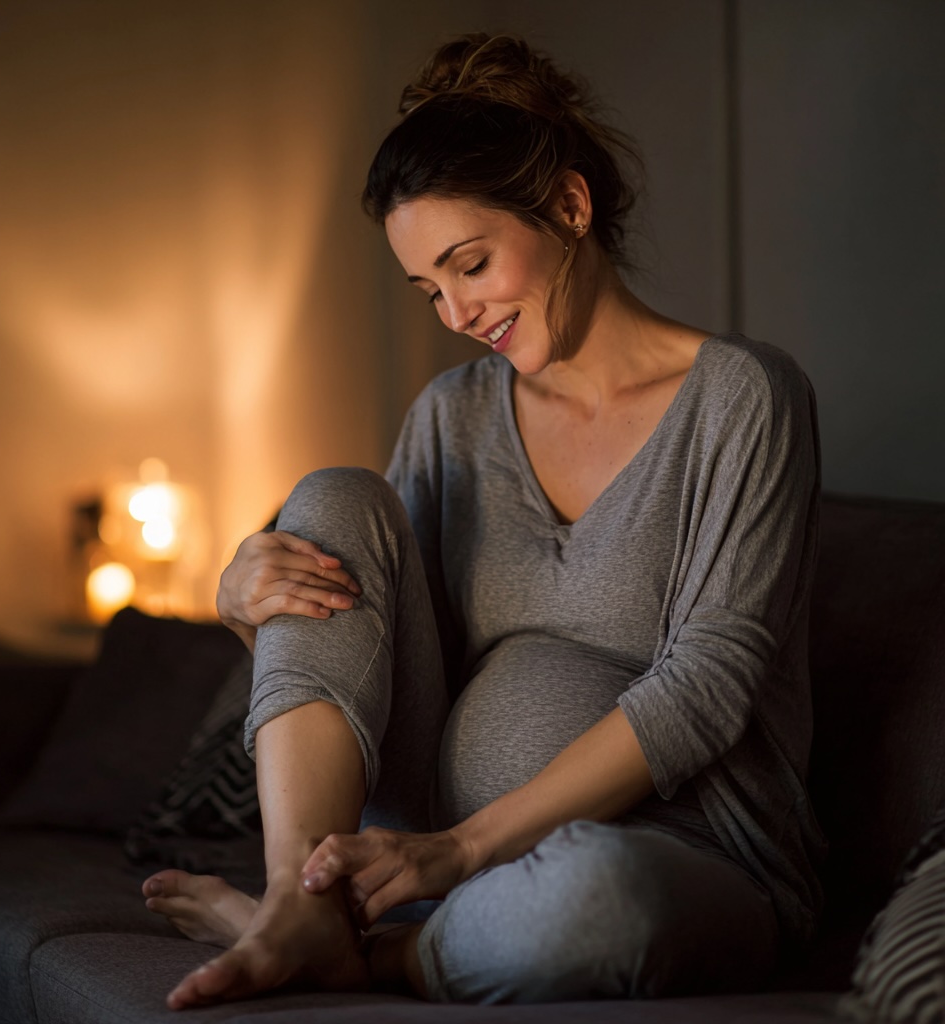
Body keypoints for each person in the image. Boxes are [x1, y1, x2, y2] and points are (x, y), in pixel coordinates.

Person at [141, 33, 826, 1009]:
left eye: (470, 265)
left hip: (678, 854)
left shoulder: (744, 397)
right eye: (430, 289)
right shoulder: (451, 417)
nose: (456, 315)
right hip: (425, 847)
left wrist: (460, 849)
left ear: (569, 206)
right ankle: (302, 900)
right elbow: (366, 651)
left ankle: (357, 948)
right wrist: (245, 610)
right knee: (329, 497)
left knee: (602, 899)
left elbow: (710, 686)